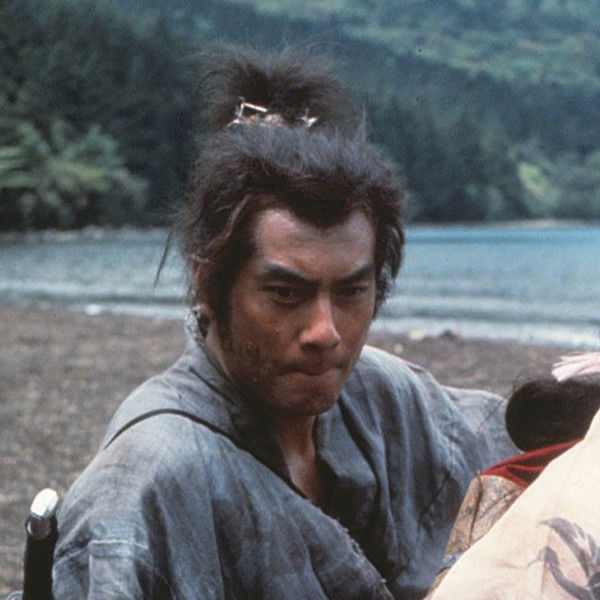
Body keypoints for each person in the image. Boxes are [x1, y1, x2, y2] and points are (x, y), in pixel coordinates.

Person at [51, 46, 516, 599]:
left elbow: (507, 435)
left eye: (352, 291)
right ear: (209, 285)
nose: (325, 332)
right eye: (285, 294)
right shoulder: (146, 479)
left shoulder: (378, 394)